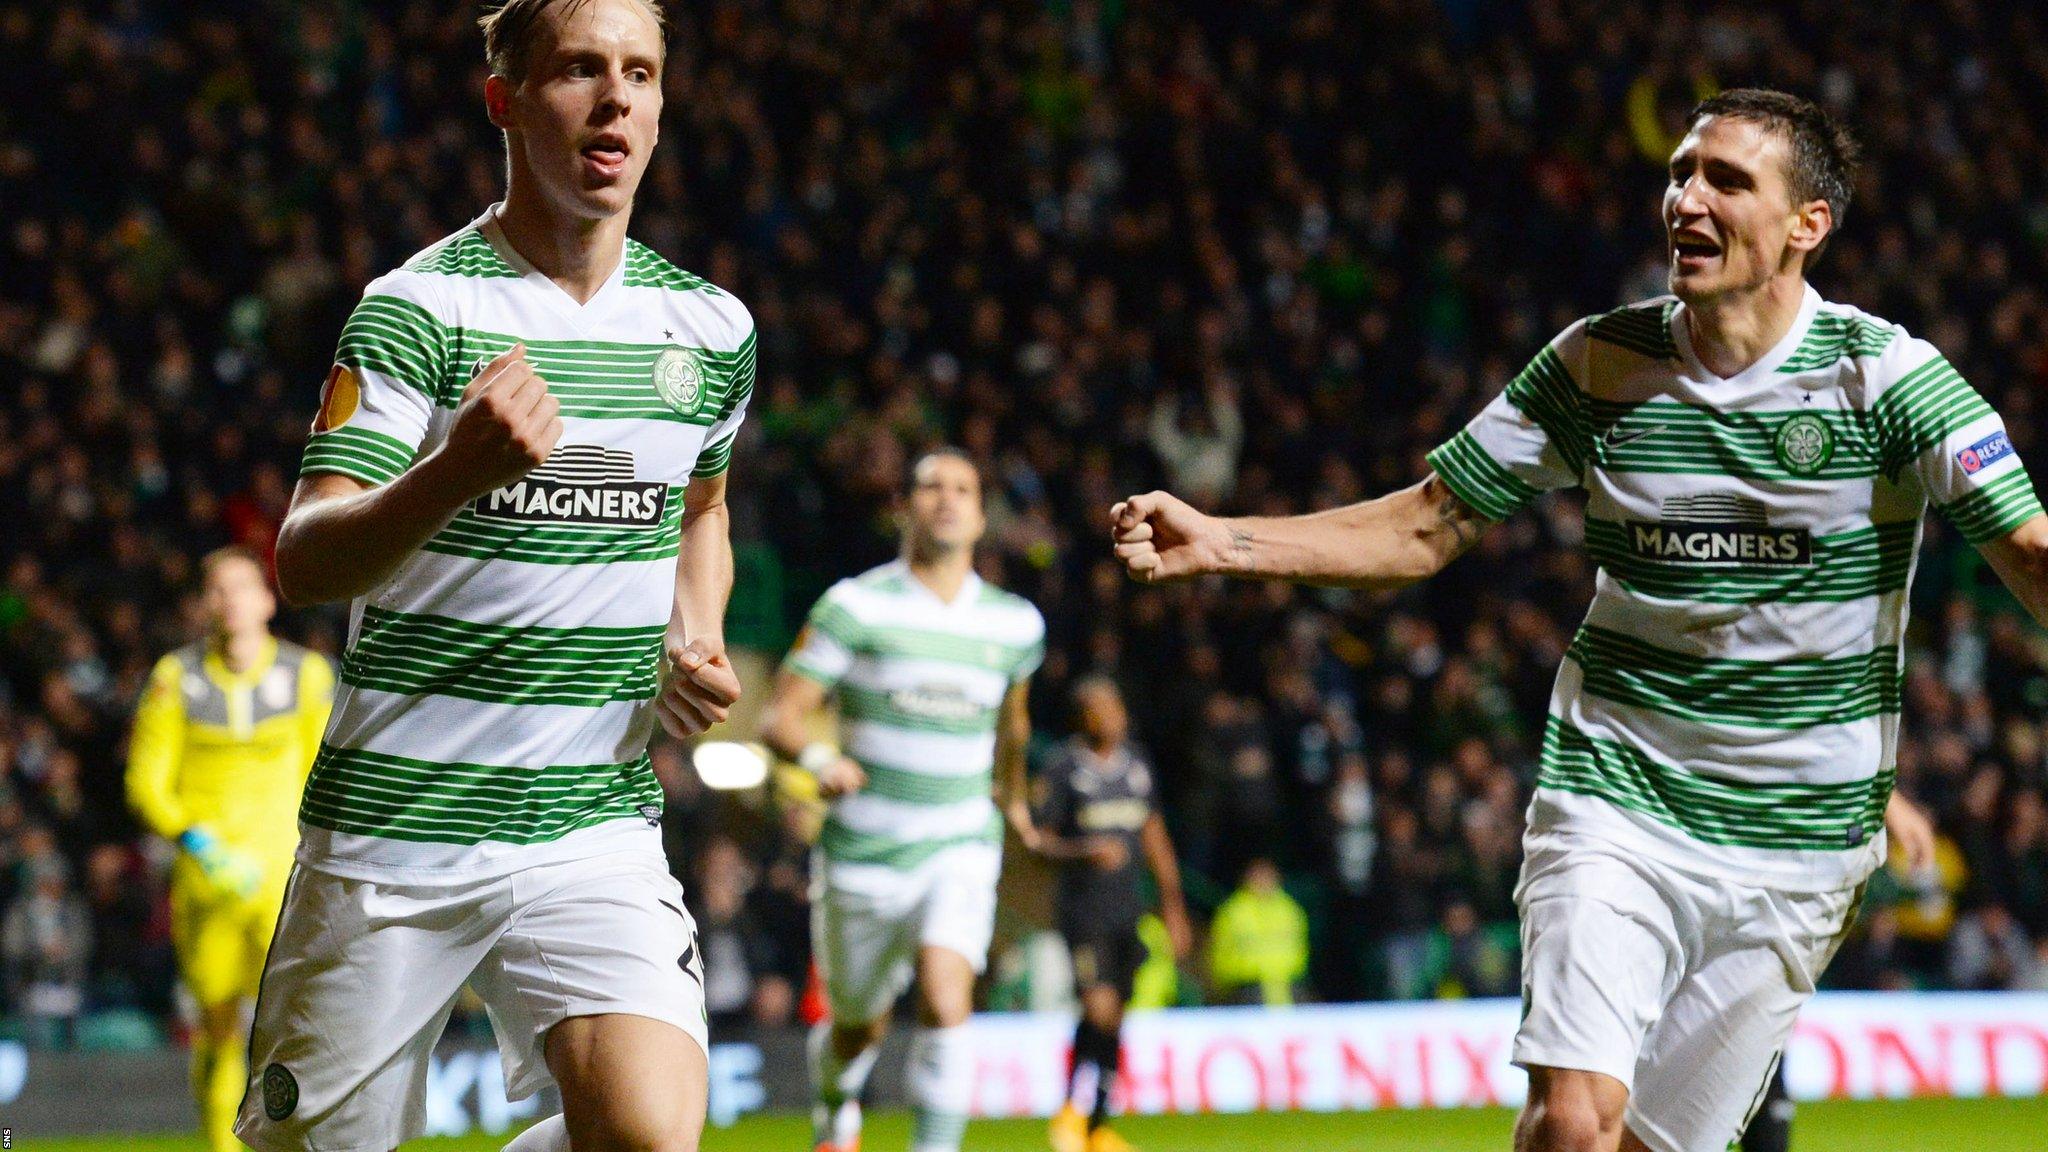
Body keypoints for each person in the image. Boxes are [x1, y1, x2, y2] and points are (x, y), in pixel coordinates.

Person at [1109, 88, 2048, 1152]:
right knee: (1570, 1122)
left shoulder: (1887, 380)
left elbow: (2026, 552)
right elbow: (1427, 527)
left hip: (1800, 842)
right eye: (1679, 175)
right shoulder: (1597, 363)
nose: (1684, 199)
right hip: (1618, 793)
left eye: (1724, 181)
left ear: (1806, 225)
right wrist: (1221, 541)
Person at [238, 1, 754, 1149]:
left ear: (662, 105)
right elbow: (305, 560)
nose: (614, 96)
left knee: (650, 1136)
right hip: (396, 832)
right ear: (505, 101)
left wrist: (697, 629)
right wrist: (453, 472)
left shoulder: (709, 329)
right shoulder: (421, 311)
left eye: (639, 72)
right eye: (579, 69)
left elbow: (702, 505)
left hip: (591, 822)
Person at [758, 449, 1045, 1152]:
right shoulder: (855, 606)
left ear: (981, 515)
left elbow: (1014, 725)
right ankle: (835, 1108)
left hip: (959, 843)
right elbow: (780, 718)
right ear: (904, 508)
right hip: (864, 851)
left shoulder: (1015, 625)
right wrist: (822, 759)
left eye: (963, 489)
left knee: (949, 998)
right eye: (930, 488)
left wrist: (1013, 800)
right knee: (859, 1025)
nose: (946, 499)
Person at [125, 546, 333, 1152]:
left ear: (268, 600)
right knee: (216, 1030)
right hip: (208, 881)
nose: (230, 601)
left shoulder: (306, 676)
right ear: (202, 605)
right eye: (217, 589)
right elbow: (145, 782)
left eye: (242, 587)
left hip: (285, 880)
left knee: (294, 1029)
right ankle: (220, 1142)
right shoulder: (175, 679)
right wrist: (195, 840)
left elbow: (327, 769)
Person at [1034, 676, 1192, 1152]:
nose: (1113, 717)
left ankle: (1097, 1127)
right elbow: (1039, 841)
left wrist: (1173, 906)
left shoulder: (1137, 765)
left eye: (1116, 706)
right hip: (1084, 912)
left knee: (1115, 1017)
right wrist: (1084, 851)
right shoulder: (1064, 768)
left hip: (1128, 911)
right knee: (1098, 1008)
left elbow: (1155, 836)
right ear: (1083, 717)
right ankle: (1068, 1109)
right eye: (1101, 709)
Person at [1204, 858, 1310, 1007]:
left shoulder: (1290, 910)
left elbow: (1300, 950)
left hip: (1288, 985)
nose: (1263, 881)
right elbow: (1219, 953)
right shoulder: (1233, 910)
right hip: (1245, 987)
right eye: (1258, 875)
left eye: (1267, 876)